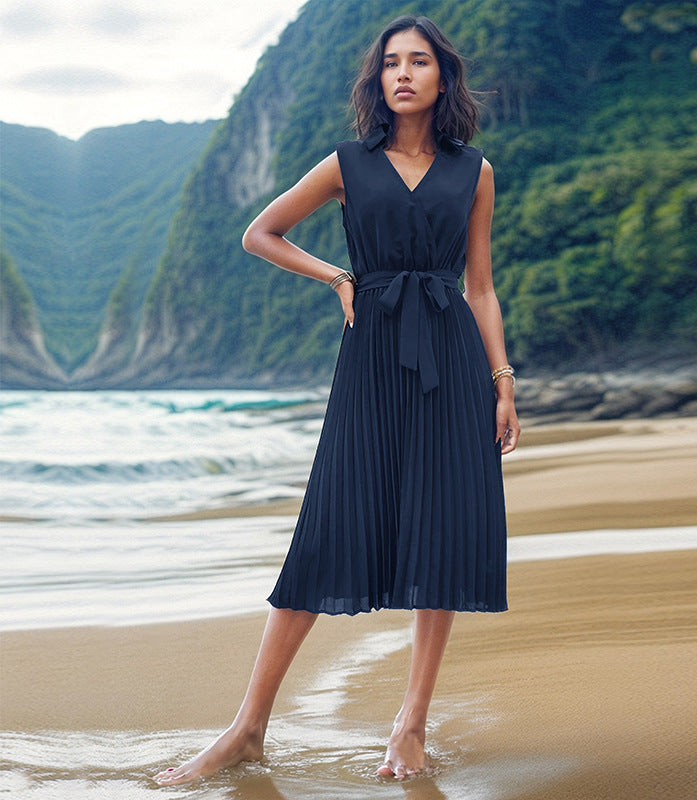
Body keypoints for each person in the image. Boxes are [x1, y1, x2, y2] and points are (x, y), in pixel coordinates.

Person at [154, 14, 520, 786]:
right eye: (392, 62)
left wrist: (502, 383)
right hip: (371, 359)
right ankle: (248, 726)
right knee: (327, 529)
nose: (405, 74)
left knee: (441, 534)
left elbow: (479, 286)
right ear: (377, 79)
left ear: (443, 77)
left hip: (451, 361)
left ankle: (410, 726)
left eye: (420, 62)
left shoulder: (475, 172)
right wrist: (336, 277)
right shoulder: (348, 164)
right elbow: (264, 232)